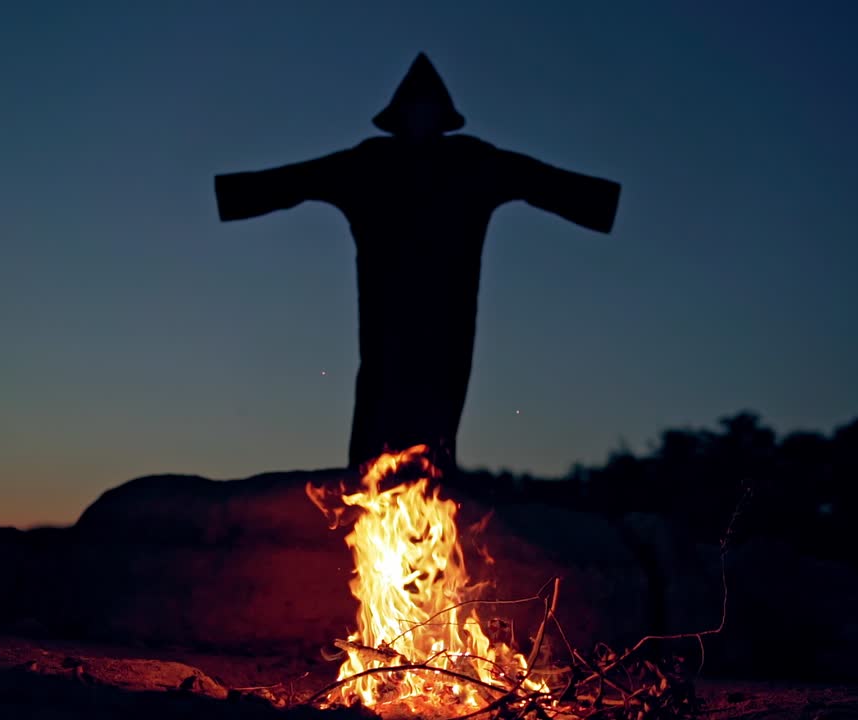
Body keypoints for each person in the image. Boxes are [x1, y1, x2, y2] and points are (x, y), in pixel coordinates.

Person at [215, 54, 619, 471]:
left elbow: (536, 180)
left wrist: (601, 203)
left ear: (443, 118)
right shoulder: (369, 165)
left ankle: (429, 513)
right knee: (378, 410)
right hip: (385, 321)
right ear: (399, 116)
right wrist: (232, 196)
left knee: (436, 422)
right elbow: (300, 179)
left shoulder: (472, 163)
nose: (421, 117)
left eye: (428, 109)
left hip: (448, 321)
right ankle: (372, 511)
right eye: (415, 108)